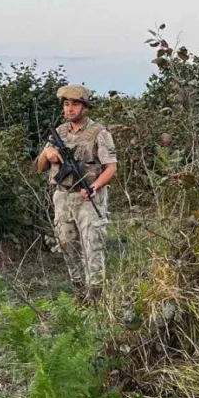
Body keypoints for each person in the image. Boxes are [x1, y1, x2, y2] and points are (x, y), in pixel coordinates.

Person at [35, 84, 118, 301]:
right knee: (66, 244)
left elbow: (111, 168)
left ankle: (96, 296)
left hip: (89, 198)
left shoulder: (99, 133)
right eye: (66, 104)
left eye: (75, 104)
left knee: (93, 246)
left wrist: (95, 187)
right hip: (63, 197)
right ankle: (79, 290)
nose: (69, 109)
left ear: (85, 107)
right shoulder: (59, 133)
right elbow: (39, 166)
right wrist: (48, 152)